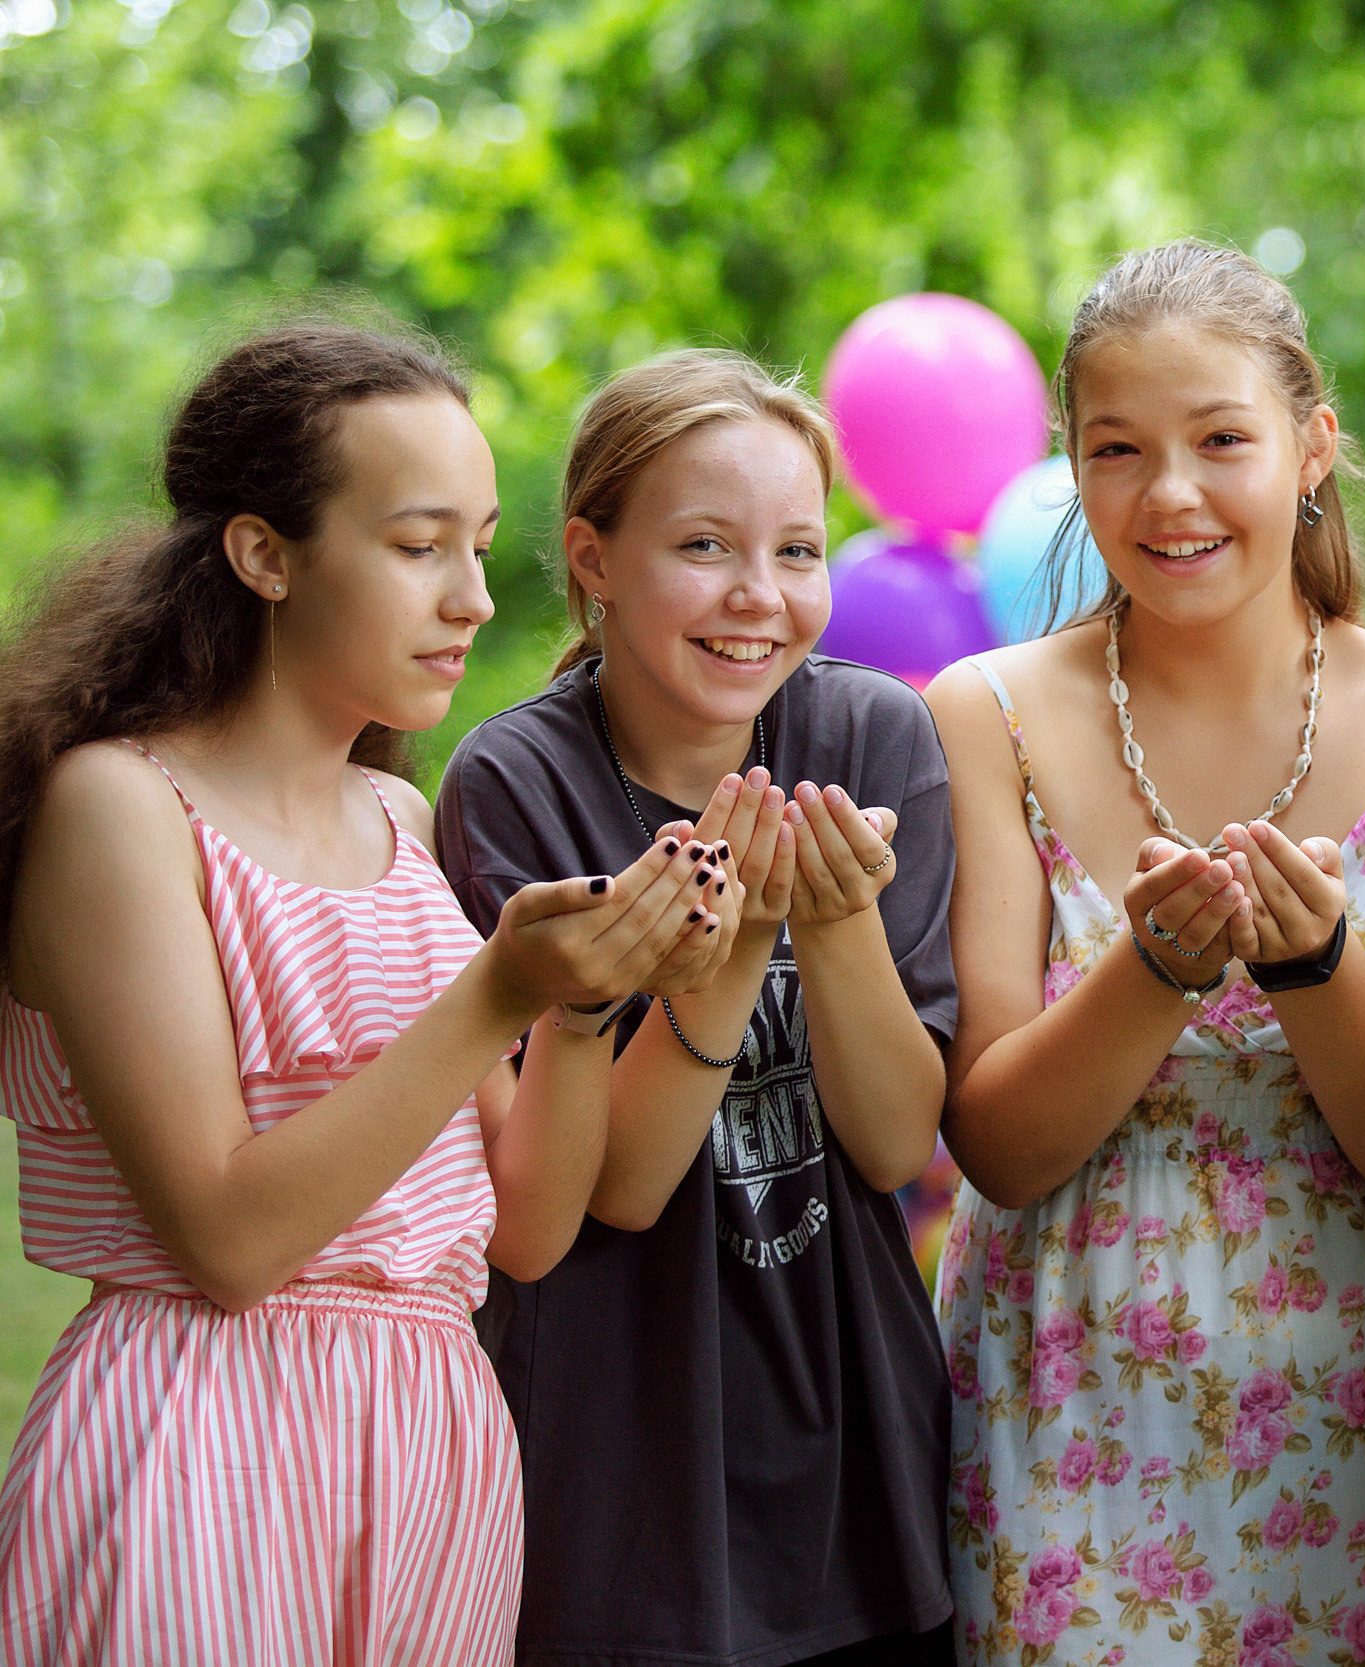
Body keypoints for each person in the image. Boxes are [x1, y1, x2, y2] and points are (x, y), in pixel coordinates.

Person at [0, 321, 714, 1663]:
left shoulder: (399, 819)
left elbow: (527, 1229)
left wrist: (580, 1006)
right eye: (419, 544)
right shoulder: (121, 809)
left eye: (478, 546)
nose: (472, 599)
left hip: (432, 1451)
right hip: (200, 1448)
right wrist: (495, 992)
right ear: (264, 554)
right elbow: (228, 1239)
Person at [926, 239, 1365, 1665]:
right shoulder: (984, 712)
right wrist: (1154, 975)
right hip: (1067, 1399)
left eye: (1221, 440)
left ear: (1313, 448)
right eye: (1117, 448)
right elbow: (997, 1143)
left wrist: (1314, 969)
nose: (1170, 493)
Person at [435, 349, 960, 1667]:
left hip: (849, 1427)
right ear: (594, 559)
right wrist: (731, 955)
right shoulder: (516, 781)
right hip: (623, 1458)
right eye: (704, 545)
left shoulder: (874, 739)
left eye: (797, 549)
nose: (758, 595)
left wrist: (834, 923)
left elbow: (896, 1143)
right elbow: (613, 1188)